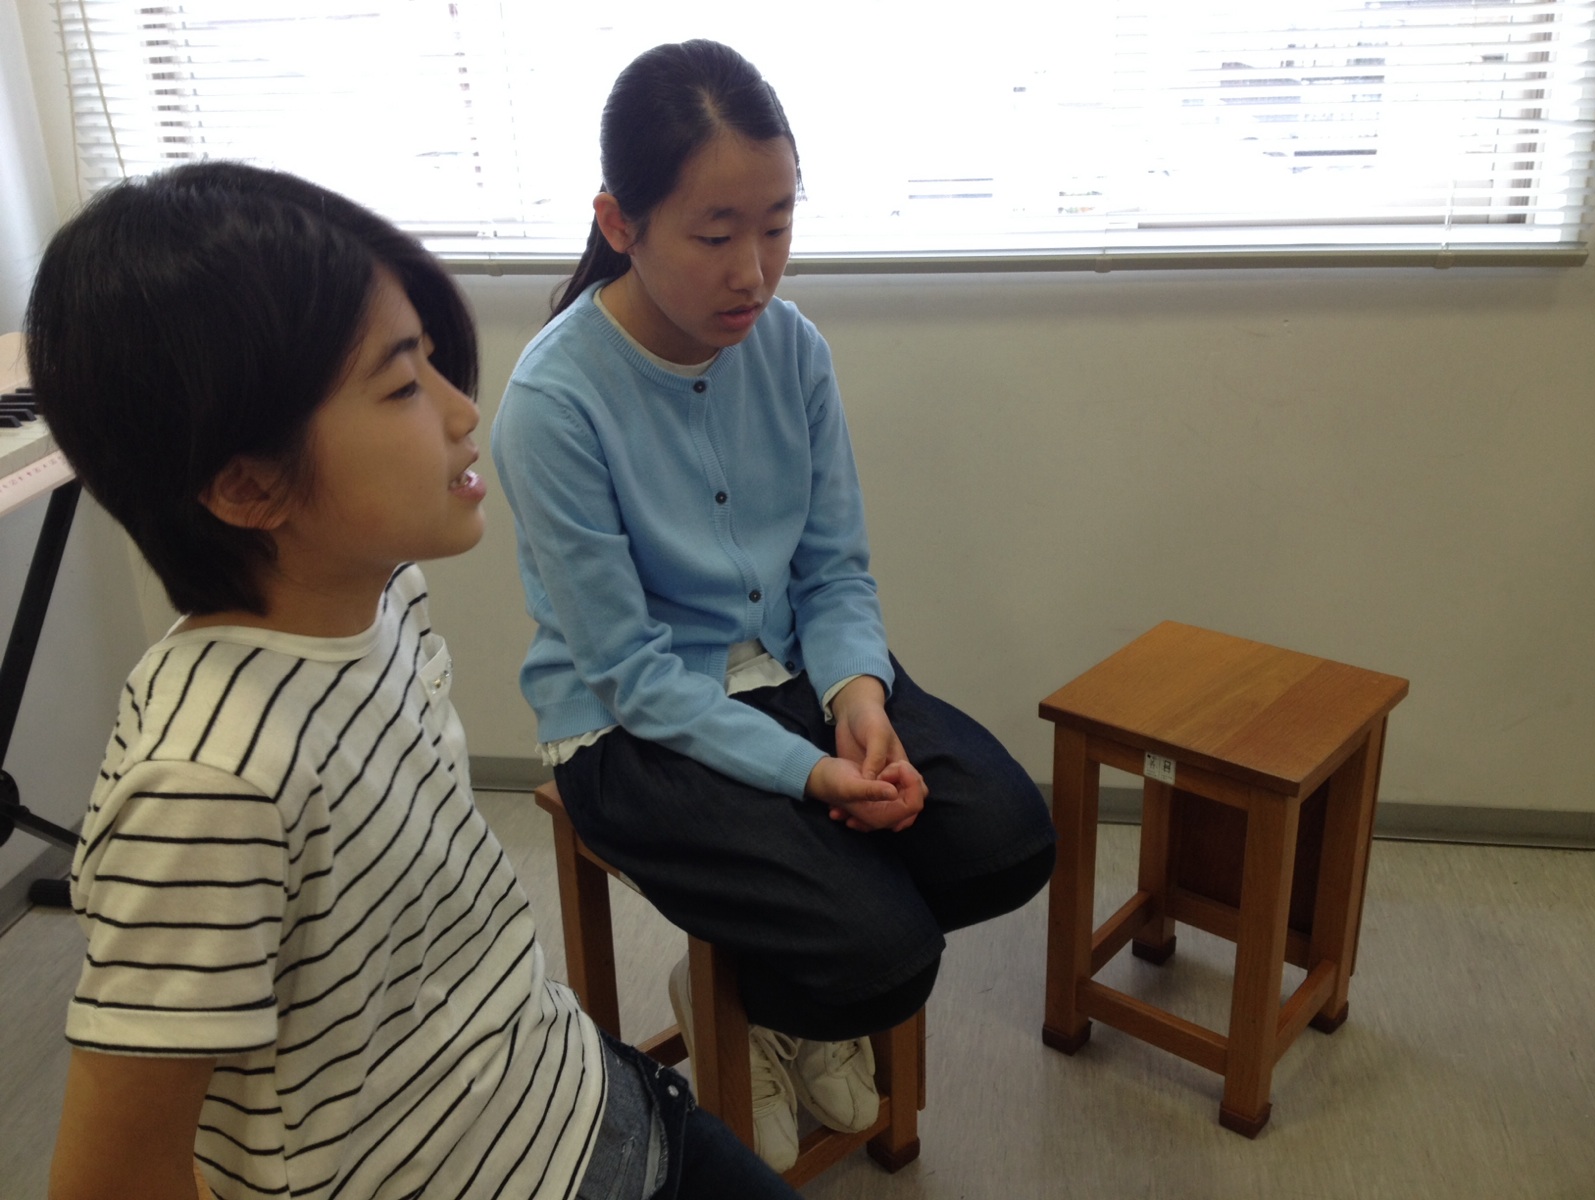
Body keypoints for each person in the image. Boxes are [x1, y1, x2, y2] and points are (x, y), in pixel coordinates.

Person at [27, 161, 799, 1200]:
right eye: (401, 386)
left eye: (434, 360)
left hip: (585, 1098)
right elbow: (110, 1179)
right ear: (248, 485)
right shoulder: (205, 790)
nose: (461, 409)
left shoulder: (386, 597)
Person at [491, 39, 1057, 1172]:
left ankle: (785, 1004)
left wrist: (858, 697)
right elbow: (631, 673)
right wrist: (811, 774)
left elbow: (835, 571)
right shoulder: (553, 404)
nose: (754, 272)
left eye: (779, 226)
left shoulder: (792, 348)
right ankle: (752, 1013)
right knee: (885, 952)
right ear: (618, 221)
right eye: (715, 236)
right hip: (630, 725)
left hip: (794, 667)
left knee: (1008, 841)